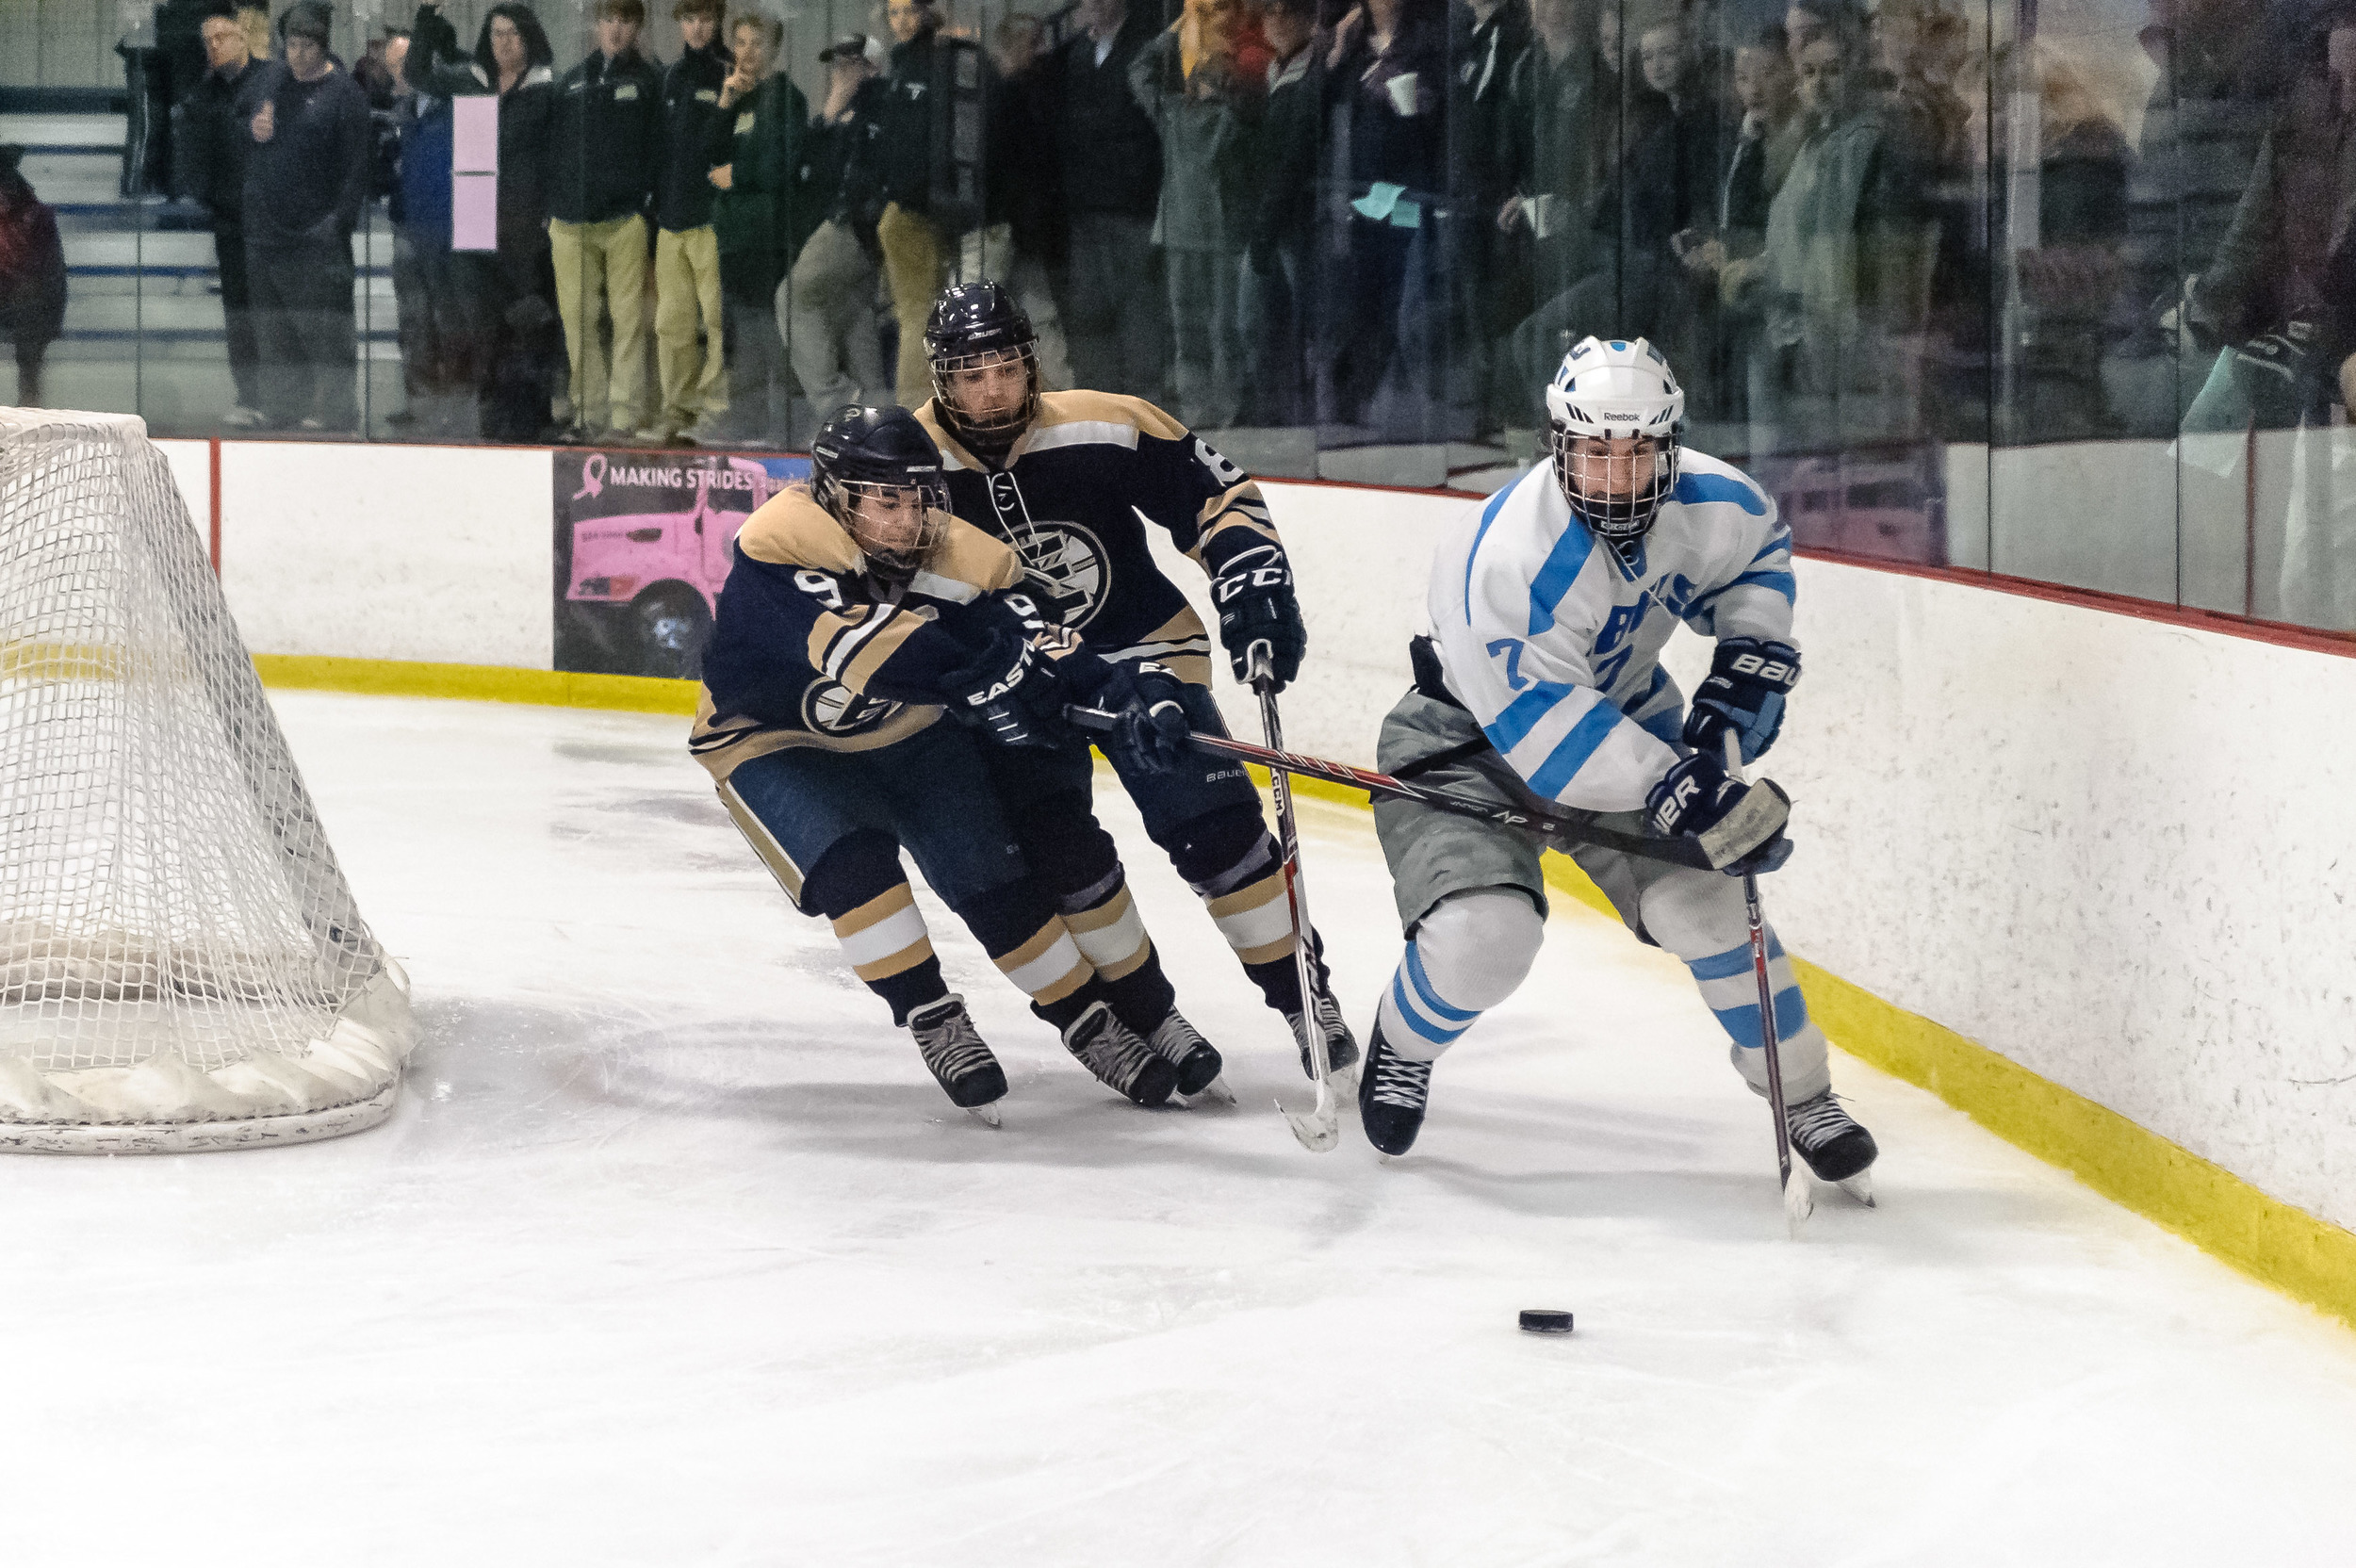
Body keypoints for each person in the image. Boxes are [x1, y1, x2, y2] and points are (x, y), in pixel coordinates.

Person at [1352, 335, 1879, 1193]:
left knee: (1706, 909)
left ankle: (1803, 1094)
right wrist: (1683, 789)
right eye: (1595, 450)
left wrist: (1745, 671)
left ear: (1669, 445)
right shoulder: (1505, 559)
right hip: (1466, 744)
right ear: (1559, 445)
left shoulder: (1715, 501)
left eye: (1638, 451)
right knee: (1486, 939)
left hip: (1629, 720)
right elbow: (1549, 739)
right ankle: (1403, 1044)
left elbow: (1758, 559)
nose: (1616, 474)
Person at [689, 405, 1212, 1114]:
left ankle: (1088, 1019)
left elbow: (1042, 640)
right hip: (773, 741)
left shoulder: (965, 556)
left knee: (993, 873)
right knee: (855, 870)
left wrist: (1124, 696)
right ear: (836, 497)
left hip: (906, 730)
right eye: (886, 501)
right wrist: (986, 678)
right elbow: (866, 652)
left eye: (921, 498)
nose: (907, 521)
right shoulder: (780, 547)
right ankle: (932, 1015)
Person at [912, 281, 1361, 1081]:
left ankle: (1303, 998)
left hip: (1142, 651)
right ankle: (1149, 1015)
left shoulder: (1104, 422)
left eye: (1007, 369)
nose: (992, 391)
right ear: (940, 378)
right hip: (1017, 678)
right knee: (1060, 851)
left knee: (1213, 823)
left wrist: (1251, 580)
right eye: (972, 375)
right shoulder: (910, 464)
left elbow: (1217, 494)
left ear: (1032, 364)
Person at [402, 2, 564, 443]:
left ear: (529, 38)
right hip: (475, 222)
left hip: (525, 226)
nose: (504, 42)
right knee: (484, 327)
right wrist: (426, 20)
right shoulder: (472, 82)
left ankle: (533, 417)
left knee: (529, 324)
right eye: (496, 33)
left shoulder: (548, 90)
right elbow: (416, 74)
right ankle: (491, 415)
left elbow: (559, 160)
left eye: (512, 33)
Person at [1129, 0, 1268, 433]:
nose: (1201, 82)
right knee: (1208, 330)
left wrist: (1176, 31)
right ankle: (1211, 412)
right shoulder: (1189, 116)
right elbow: (1141, 71)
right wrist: (1181, 30)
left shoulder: (1192, 116)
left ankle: (1211, 411)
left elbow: (1140, 69)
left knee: (1206, 330)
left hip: (1203, 234)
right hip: (1200, 234)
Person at [242, 1, 371, 433]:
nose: (297, 55)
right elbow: (237, 114)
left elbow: (358, 168)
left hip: (316, 234)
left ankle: (335, 409)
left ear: (324, 47)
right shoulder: (272, 79)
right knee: (274, 331)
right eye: (292, 44)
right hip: (268, 229)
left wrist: (337, 224)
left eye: (306, 46)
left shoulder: (345, 95)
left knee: (325, 332)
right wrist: (252, 125)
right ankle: (282, 405)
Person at [546, 0, 663, 442]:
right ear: (597, 25)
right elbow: (555, 147)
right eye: (608, 20)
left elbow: (659, 151)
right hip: (570, 222)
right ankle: (588, 412)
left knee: (628, 320)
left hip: (624, 220)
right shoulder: (573, 80)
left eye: (625, 22)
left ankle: (624, 416)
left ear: (637, 28)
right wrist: (551, 206)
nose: (615, 30)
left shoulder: (650, 80)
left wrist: (646, 210)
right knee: (577, 320)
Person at [1048, 0, 1168, 400]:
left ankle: (1143, 409)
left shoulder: (1150, 45)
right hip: (1085, 207)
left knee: (1139, 314)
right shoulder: (1075, 52)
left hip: (1134, 206)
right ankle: (1097, 408)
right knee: (1089, 314)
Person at [708, 11, 811, 445]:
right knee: (743, 332)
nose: (747, 52)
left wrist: (739, 173)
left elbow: (781, 164)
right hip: (735, 236)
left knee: (774, 330)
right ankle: (747, 418)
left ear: (775, 48)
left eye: (757, 43)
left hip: (769, 235)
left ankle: (790, 422)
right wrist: (725, 102)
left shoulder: (786, 98)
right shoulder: (740, 98)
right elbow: (709, 156)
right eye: (741, 43)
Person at [783, 34, 890, 419]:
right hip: (839, 225)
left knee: (793, 298)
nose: (841, 73)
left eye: (852, 65)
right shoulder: (836, 115)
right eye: (837, 65)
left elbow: (868, 174)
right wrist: (828, 114)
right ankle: (876, 415)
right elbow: (803, 171)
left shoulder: (881, 107)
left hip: (855, 226)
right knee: (854, 316)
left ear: (872, 68)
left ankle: (839, 405)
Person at [179, 4, 274, 428]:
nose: (213, 47)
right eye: (208, 41)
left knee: (273, 309)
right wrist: (210, 197)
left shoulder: (272, 80)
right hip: (231, 221)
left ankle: (287, 395)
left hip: (273, 221)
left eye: (221, 37)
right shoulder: (203, 94)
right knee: (239, 311)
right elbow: (195, 156)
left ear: (242, 37)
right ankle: (250, 395)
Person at [644, 0, 733, 447]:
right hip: (671, 219)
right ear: (680, 24)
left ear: (717, 23)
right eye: (690, 20)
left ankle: (715, 411)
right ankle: (676, 410)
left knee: (716, 322)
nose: (698, 28)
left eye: (706, 20)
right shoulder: (670, 77)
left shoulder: (727, 73)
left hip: (711, 218)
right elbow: (658, 147)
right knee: (671, 323)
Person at [1238, 0, 1320, 426]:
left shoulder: (1311, 75)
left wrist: (1265, 230)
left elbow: (1292, 161)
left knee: (1286, 319)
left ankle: (1291, 407)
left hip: (1294, 222)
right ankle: (1273, 403)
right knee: (1259, 319)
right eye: (1269, 12)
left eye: (1285, 11)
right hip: (1269, 220)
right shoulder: (1275, 74)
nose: (1274, 20)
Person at [0, 147, 68, 408]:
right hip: (17, 297)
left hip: (28, 302)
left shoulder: (37, 217)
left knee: (31, 326)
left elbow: (49, 277)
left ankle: (29, 405)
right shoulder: (35, 213)